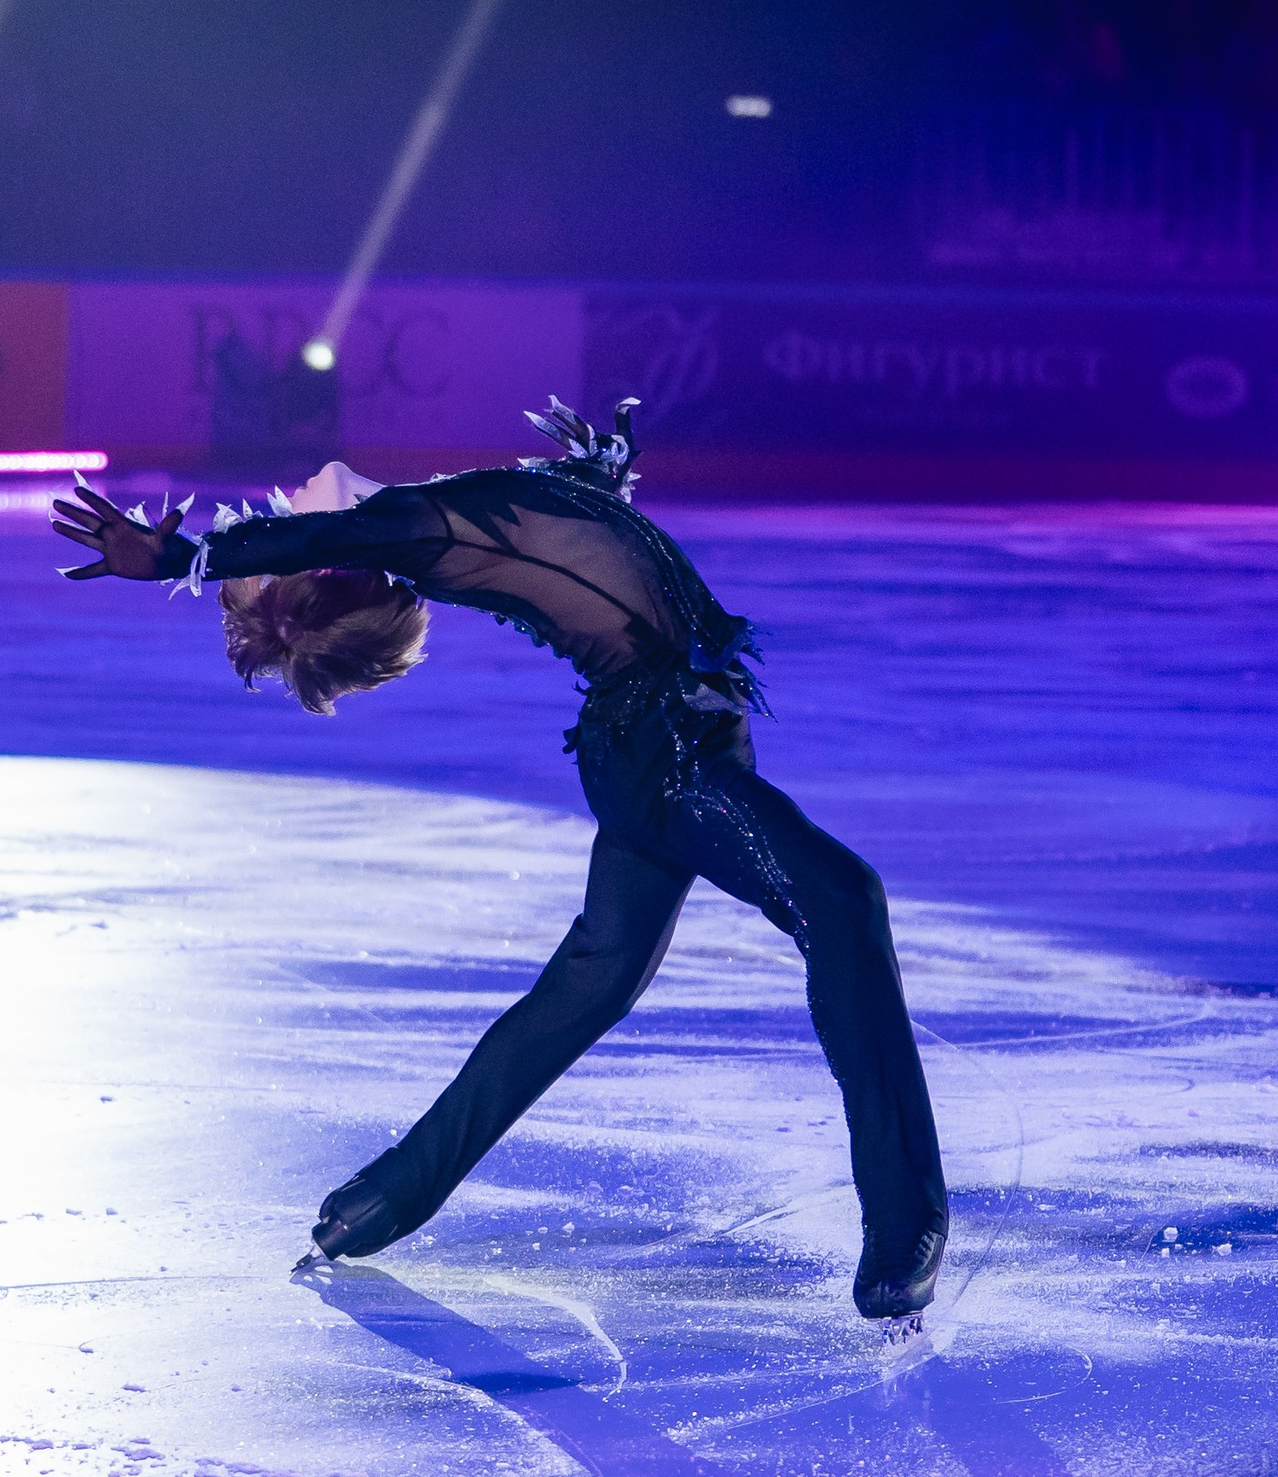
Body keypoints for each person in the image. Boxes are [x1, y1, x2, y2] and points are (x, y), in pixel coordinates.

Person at [52, 399, 949, 1324]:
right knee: (842, 899)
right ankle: (903, 1223)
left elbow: (567, 539)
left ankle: (384, 1197)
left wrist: (595, 478)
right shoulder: (409, 525)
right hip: (670, 758)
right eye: (290, 527)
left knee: (587, 988)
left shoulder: (444, 517)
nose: (287, 492)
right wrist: (186, 557)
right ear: (325, 560)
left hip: (657, 739)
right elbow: (318, 534)